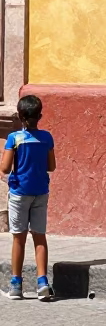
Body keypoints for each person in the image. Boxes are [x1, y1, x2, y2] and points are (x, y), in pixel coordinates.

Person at [0, 94, 56, 300]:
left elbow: (5, 168)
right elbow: (52, 166)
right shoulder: (47, 138)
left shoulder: (14, 138)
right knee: (39, 237)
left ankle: (16, 284)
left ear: (20, 116)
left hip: (19, 193)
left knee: (19, 238)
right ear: (39, 115)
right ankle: (43, 284)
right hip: (40, 191)